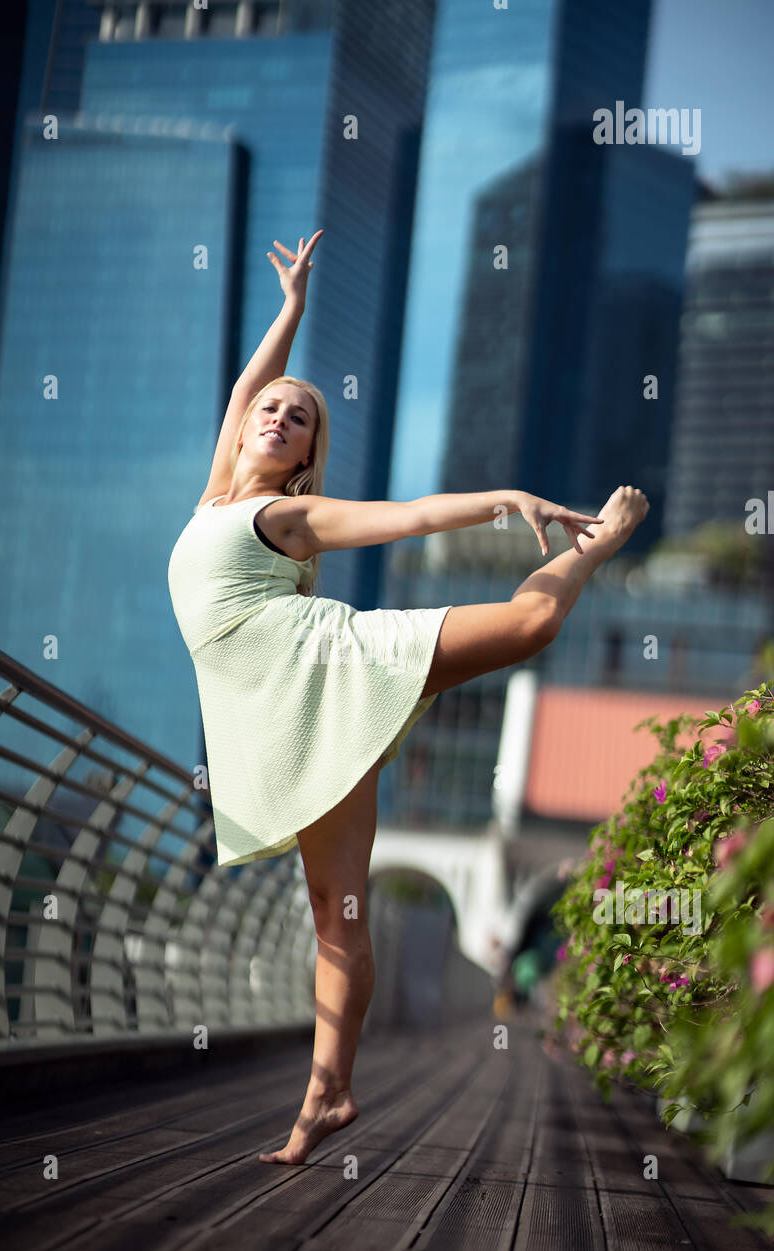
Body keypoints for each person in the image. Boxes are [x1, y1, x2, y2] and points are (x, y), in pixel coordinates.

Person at [167, 230, 649, 1165]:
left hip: (337, 665)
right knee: (336, 914)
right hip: (286, 721)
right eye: (270, 408)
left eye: (298, 416)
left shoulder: (289, 517)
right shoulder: (215, 496)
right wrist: (293, 310)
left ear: (308, 452)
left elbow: (412, 517)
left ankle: (594, 546)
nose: (275, 415)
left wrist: (509, 496)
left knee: (527, 629)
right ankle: (326, 1100)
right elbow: (240, 392)